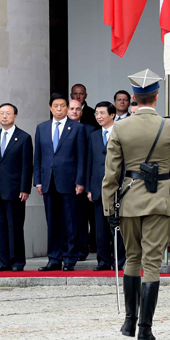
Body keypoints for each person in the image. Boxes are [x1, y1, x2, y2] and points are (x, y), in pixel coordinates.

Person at [104, 69, 170, 340]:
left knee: (132, 258)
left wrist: (109, 210)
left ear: (134, 98)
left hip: (129, 201)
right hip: (158, 200)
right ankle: (145, 330)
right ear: (156, 97)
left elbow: (110, 174)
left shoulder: (120, 127)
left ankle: (129, 322)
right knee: (152, 263)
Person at [34, 93, 88, 272]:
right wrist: (38, 181)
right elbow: (38, 157)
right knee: (52, 222)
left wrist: (80, 181)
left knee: (70, 222)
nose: (59, 109)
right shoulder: (42, 128)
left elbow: (82, 157)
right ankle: (54, 259)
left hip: (69, 181)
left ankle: (69, 258)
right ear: (50, 108)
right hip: (48, 181)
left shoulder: (77, 128)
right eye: (55, 106)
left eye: (62, 106)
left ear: (67, 108)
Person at [0, 103, 33, 272]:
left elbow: (27, 166)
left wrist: (25, 189)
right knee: (0, 227)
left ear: (15, 116)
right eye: (1, 113)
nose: (4, 116)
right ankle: (2, 262)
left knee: (15, 227)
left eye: (8, 113)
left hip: (15, 190)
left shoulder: (24, 137)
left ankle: (17, 261)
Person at [87, 101, 124, 271]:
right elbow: (89, 162)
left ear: (112, 115)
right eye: (96, 113)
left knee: (118, 226)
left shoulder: (121, 133)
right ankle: (103, 261)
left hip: (117, 186)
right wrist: (88, 187)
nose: (99, 116)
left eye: (102, 113)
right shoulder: (93, 135)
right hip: (97, 187)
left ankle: (121, 260)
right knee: (100, 227)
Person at [69, 99, 97, 262]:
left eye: (77, 109)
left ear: (82, 111)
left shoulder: (91, 130)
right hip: (65, 180)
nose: (74, 111)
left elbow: (90, 159)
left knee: (82, 217)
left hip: (85, 181)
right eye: (71, 108)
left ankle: (82, 248)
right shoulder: (58, 128)